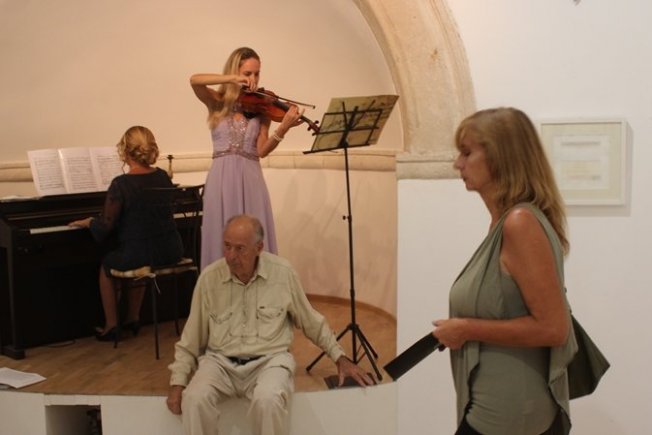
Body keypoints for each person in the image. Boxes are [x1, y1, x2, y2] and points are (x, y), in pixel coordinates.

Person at [432, 108, 578, 435]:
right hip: (497, 406)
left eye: (467, 152)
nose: (457, 164)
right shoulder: (506, 222)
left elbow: (554, 328)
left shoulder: (519, 223)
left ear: (501, 157)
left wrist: (466, 328)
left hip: (511, 413)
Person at [166, 214, 374, 435]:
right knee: (194, 399)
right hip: (219, 362)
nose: (231, 256)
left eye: (240, 249)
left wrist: (340, 358)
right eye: (227, 246)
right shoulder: (209, 278)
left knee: (268, 400)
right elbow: (191, 338)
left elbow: (311, 320)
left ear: (259, 247)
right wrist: (178, 383)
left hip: (269, 361)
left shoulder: (282, 273)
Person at [191, 46, 306, 270]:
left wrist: (283, 128)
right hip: (221, 180)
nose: (253, 79)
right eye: (247, 73)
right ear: (235, 72)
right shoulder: (217, 101)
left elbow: (261, 150)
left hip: (251, 179)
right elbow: (194, 80)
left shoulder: (262, 107)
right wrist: (232, 79)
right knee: (222, 236)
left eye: (257, 73)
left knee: (253, 240)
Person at [69, 126, 184, 341]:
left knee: (108, 266)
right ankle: (133, 318)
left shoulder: (121, 184)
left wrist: (90, 222)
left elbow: (106, 226)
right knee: (140, 257)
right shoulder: (162, 176)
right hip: (170, 250)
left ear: (125, 151)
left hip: (141, 252)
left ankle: (111, 325)